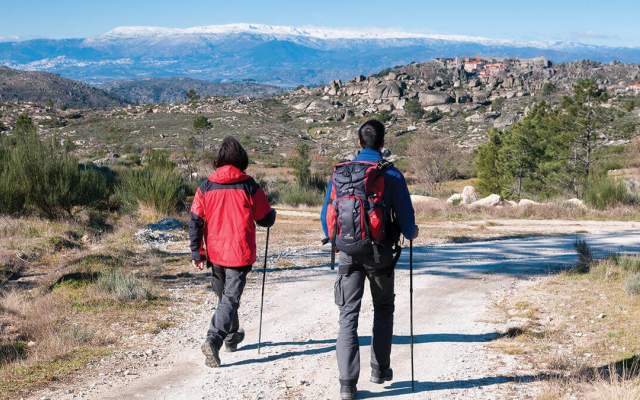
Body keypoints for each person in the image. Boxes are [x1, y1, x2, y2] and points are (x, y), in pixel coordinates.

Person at [321, 120, 418, 399]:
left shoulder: (342, 173)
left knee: (347, 315)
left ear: (359, 142)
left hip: (348, 252)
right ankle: (379, 370)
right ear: (382, 143)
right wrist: (412, 232)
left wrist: (338, 240)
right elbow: (407, 221)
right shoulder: (391, 175)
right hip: (380, 252)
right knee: (384, 307)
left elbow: (325, 215)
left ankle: (347, 385)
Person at [189, 136, 276, 368]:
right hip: (239, 253)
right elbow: (264, 218)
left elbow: (195, 221)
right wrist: (271, 216)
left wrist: (197, 253)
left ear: (219, 159)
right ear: (241, 159)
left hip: (215, 254)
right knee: (230, 298)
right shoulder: (249, 185)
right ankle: (214, 339)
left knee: (225, 297)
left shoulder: (205, 186)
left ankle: (231, 336)